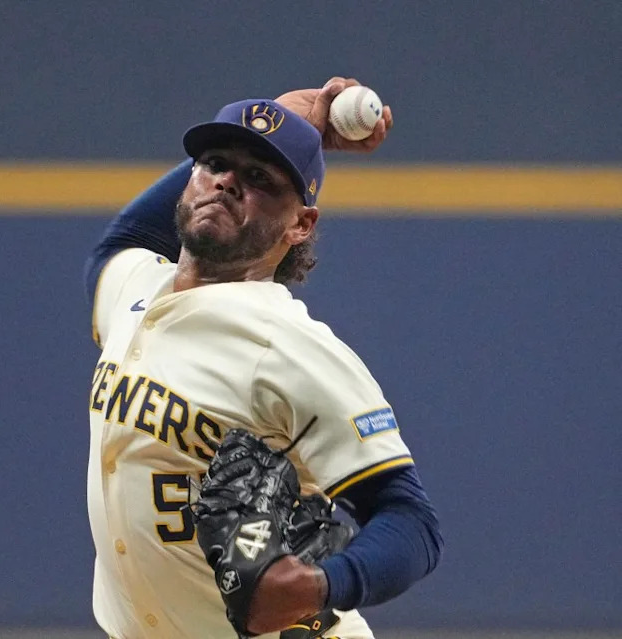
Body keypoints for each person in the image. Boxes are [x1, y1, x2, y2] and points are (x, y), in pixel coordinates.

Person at [83, 78, 443, 639]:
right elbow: (121, 241)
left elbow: (411, 522)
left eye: (259, 179)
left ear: (301, 224)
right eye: (214, 164)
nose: (227, 181)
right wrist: (280, 117)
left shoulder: (291, 348)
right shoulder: (134, 289)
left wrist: (323, 584)